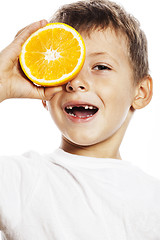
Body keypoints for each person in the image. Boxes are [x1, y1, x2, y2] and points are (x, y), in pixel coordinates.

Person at [0, 0, 160, 239]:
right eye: (66, 69)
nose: (75, 82)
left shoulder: (153, 197)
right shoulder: (22, 180)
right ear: (44, 92)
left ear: (141, 91)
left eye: (101, 66)